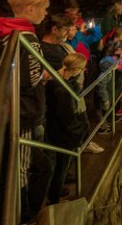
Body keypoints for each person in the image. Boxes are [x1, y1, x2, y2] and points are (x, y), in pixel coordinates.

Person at [0, 0, 52, 223]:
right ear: (30, 9)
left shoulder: (2, 31)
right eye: (44, 9)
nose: (46, 14)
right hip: (24, 111)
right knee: (23, 169)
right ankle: (23, 215)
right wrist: (45, 74)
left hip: (8, 107)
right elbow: (31, 78)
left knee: (26, 165)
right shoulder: (27, 37)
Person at [45, 54, 92, 204]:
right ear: (77, 69)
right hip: (64, 134)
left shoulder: (55, 81)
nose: (84, 70)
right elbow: (68, 117)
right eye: (82, 68)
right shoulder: (64, 91)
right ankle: (54, 197)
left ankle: (57, 190)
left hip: (55, 128)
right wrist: (80, 131)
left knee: (59, 164)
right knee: (62, 165)